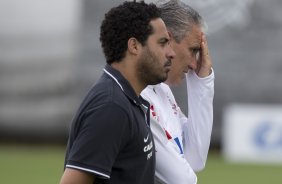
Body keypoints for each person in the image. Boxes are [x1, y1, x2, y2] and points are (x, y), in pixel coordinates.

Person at [59, 1, 175, 184]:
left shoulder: (129, 100)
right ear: (134, 46)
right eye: (163, 43)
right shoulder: (111, 107)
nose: (171, 53)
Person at [141, 0, 214, 183]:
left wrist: (201, 81)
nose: (193, 64)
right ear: (167, 39)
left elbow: (195, 159)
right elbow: (182, 180)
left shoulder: (162, 90)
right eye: (193, 50)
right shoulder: (137, 93)